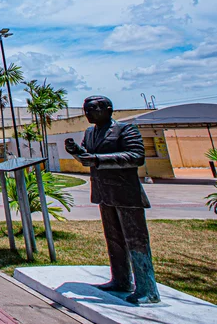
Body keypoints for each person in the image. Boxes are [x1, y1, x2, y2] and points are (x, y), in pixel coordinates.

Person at [65, 96, 160, 304]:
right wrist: (76, 151)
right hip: (103, 192)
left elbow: (136, 156)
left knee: (136, 240)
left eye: (92, 109)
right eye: (86, 110)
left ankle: (147, 288)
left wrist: (97, 159)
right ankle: (121, 280)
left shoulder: (125, 130)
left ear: (108, 109)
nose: (88, 113)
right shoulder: (90, 133)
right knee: (114, 239)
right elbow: (87, 156)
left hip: (126, 193)